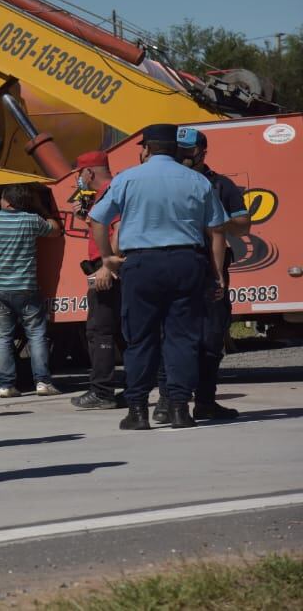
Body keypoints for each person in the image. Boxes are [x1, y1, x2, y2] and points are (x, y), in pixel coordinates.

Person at [89, 124, 228, 431]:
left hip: (142, 264)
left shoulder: (127, 178)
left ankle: (137, 411)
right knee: (183, 338)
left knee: (140, 338)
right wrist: (217, 276)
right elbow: (217, 230)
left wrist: (107, 258)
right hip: (187, 262)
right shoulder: (198, 181)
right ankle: (179, 409)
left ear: (147, 149)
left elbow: (97, 220)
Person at [173, 126, 250, 420]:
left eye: (188, 150)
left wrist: (217, 218)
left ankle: (205, 400)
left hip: (211, 271)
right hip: (178, 267)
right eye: (178, 150)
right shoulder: (168, 182)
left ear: (202, 152)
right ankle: (172, 402)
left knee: (212, 336)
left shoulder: (221, 185)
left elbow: (244, 225)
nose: (182, 156)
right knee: (174, 336)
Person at [0, 184, 62, 398]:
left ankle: (5, 386)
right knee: (37, 335)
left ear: (6, 201)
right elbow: (55, 229)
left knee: (3, 336)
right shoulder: (31, 220)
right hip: (26, 288)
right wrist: (41, 208)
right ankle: (42, 382)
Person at [69, 151, 122, 410]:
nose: (79, 180)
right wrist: (85, 217)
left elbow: (119, 230)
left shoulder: (110, 193)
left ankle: (102, 392)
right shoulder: (111, 191)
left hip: (106, 270)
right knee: (121, 332)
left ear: (89, 173)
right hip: (107, 268)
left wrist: (106, 264)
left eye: (80, 175)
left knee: (98, 330)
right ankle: (133, 388)